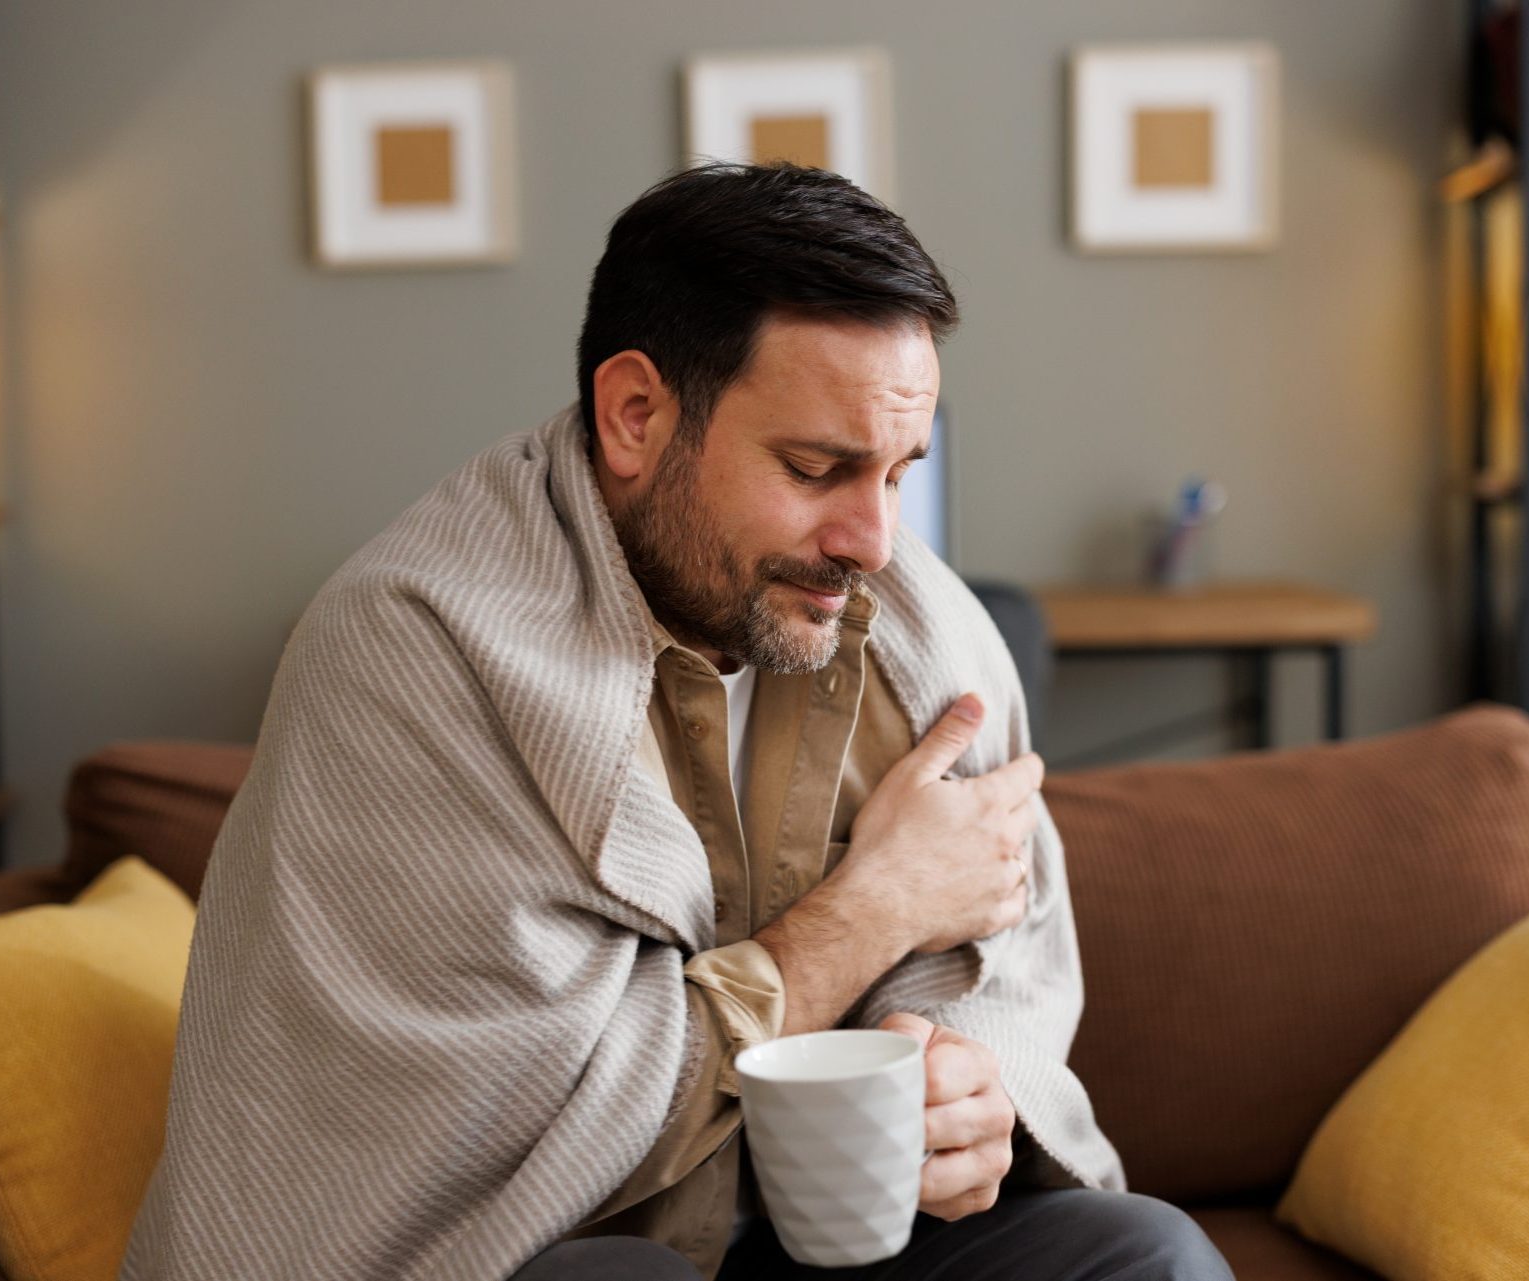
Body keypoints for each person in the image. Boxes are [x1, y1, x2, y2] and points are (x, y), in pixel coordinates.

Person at [120, 163, 1234, 1281]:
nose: (873, 542)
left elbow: (1004, 970)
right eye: (816, 468)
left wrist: (965, 1087)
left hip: (820, 1242)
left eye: (898, 474)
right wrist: (875, 908)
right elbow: (514, 1118)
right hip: (544, 1255)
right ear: (636, 417)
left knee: (1144, 1256)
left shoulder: (926, 639)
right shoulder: (413, 648)